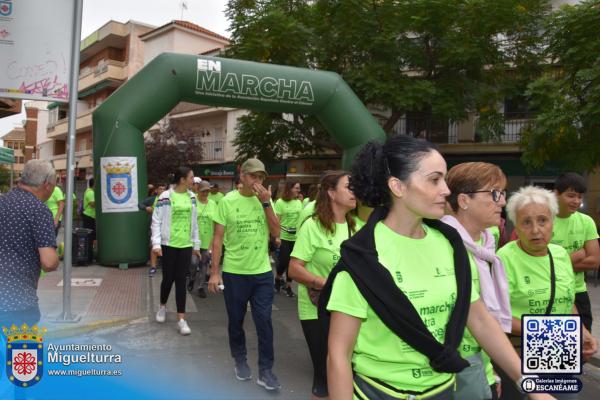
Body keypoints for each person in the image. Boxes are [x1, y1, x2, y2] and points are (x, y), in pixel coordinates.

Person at [320, 135, 554, 400]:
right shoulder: (362, 257)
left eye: (444, 179)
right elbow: (339, 355)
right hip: (380, 393)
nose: (446, 189)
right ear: (398, 186)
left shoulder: (450, 244)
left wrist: (532, 386)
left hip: (444, 390)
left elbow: (478, 318)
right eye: (434, 179)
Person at [498, 186, 598, 399]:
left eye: (543, 220)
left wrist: (581, 330)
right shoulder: (504, 259)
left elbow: (566, 300)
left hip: (559, 348)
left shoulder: (560, 254)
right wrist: (551, 332)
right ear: (516, 225)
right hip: (517, 352)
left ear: (553, 221)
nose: (536, 230)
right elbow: (495, 318)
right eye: (526, 222)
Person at [208, 158, 282, 392]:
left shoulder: (266, 201)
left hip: (261, 272)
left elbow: (276, 231)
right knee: (236, 321)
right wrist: (214, 273)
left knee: (264, 321)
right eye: (253, 176)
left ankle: (266, 371)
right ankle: (240, 361)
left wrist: (266, 204)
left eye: (261, 177)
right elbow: (218, 239)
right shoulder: (227, 202)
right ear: (242, 177)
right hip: (234, 273)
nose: (257, 181)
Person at [442, 162, 512, 400]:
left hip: (482, 361)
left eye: (503, 194)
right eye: (494, 193)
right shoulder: (443, 247)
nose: (502, 202)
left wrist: (491, 371)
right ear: (463, 201)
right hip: (456, 365)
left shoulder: (486, 245)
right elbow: (478, 319)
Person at [288, 170, 358, 400]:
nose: (354, 191)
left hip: (348, 309)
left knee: (348, 374)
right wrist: (324, 283)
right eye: (348, 186)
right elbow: (294, 268)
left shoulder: (357, 227)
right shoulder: (313, 226)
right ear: (331, 192)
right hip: (316, 309)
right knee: (324, 377)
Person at [0, 160, 59, 327]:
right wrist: (57, 256)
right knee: (23, 352)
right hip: (18, 304)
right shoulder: (38, 210)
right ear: (47, 185)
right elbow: (48, 262)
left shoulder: (2, 201)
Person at [151, 167, 201, 336]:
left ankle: (181, 319)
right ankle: (162, 307)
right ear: (182, 180)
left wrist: (196, 246)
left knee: (181, 281)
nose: (193, 180)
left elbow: (194, 222)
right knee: (168, 279)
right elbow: (156, 221)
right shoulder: (165, 196)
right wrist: (156, 244)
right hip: (168, 244)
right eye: (191, 177)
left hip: (185, 245)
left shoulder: (192, 197)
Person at [551, 173, 600, 332]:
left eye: (580, 197)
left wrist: (555, 263)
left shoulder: (586, 221)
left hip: (578, 292)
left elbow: (594, 261)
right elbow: (536, 263)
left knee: (582, 348)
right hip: (549, 292)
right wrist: (577, 255)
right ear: (556, 193)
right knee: (549, 350)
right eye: (571, 196)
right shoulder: (543, 220)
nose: (576, 201)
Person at [274, 181, 303, 297]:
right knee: (284, 261)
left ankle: (288, 285)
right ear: (289, 189)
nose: (298, 190)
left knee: (293, 263)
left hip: (296, 237)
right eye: (296, 188)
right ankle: (278, 277)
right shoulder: (280, 202)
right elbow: (276, 221)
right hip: (284, 237)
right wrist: (276, 237)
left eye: (299, 188)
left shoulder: (299, 202)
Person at [189, 180, 217, 298]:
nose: (206, 193)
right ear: (198, 190)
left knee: (204, 264)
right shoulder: (192, 201)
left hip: (207, 240)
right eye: (203, 190)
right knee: (194, 262)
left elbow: (216, 224)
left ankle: (200, 287)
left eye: (207, 191)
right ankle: (191, 279)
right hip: (194, 240)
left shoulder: (213, 204)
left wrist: (212, 244)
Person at [141, 183, 166, 277]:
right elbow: (140, 204)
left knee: (166, 246)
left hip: (166, 226)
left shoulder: (169, 199)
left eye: (164, 189)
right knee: (154, 246)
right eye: (160, 189)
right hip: (154, 226)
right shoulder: (152, 199)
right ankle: (153, 267)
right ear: (156, 190)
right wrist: (146, 208)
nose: (162, 190)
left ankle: (165, 265)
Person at [82, 178, 96, 243]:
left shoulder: (88, 191)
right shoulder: (90, 192)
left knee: (91, 235)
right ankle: (89, 250)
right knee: (90, 235)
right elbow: (92, 204)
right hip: (89, 216)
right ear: (94, 184)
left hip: (90, 216)